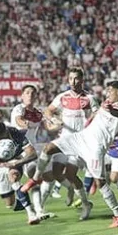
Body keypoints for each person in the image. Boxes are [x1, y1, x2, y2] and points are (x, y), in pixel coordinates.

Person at [23, 80, 118, 228]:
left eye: (110, 90)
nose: (107, 93)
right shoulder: (106, 102)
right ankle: (35, 179)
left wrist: (109, 108)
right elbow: (97, 115)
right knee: (49, 148)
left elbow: (117, 113)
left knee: (100, 183)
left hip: (95, 147)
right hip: (81, 137)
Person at [44, 67, 99, 200]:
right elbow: (48, 111)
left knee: (70, 174)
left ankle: (85, 203)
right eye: (70, 78)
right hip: (64, 140)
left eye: (76, 78)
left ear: (82, 80)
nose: (73, 82)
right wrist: (53, 119)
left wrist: (92, 124)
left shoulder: (90, 99)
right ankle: (69, 188)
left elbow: (98, 116)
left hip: (80, 143)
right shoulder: (62, 97)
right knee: (57, 173)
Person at [0, 121, 41, 225]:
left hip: (14, 160)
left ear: (5, 131)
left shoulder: (16, 134)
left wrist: (17, 163)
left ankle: (31, 214)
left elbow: (32, 154)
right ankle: (27, 203)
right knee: (10, 204)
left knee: (13, 178)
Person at [10, 84, 55, 218]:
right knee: (14, 176)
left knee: (37, 177)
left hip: (31, 149)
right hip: (16, 148)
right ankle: (26, 204)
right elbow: (19, 121)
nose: (30, 95)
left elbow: (48, 127)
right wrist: (25, 124)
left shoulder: (37, 113)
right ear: (22, 96)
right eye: (27, 92)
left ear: (36, 97)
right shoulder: (19, 108)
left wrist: (59, 124)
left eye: (33, 93)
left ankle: (38, 210)